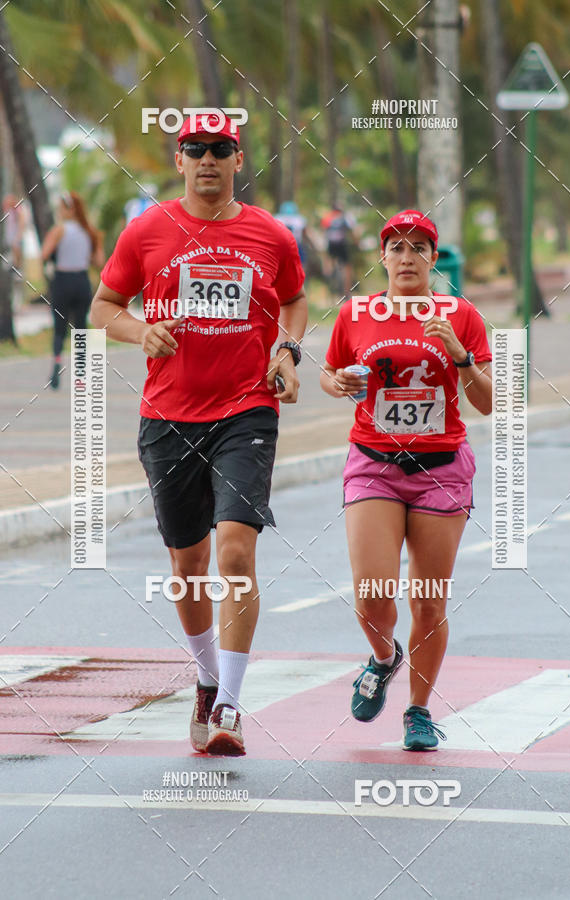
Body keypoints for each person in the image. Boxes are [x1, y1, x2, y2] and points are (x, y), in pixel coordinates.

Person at [90, 112, 307, 756]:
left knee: (237, 551)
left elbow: (294, 298)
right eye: (195, 149)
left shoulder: (269, 234)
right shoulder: (147, 231)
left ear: (238, 160)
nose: (207, 159)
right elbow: (104, 307)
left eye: (220, 149)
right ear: (179, 159)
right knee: (189, 565)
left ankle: (233, 709)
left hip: (246, 410)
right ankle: (208, 680)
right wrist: (141, 331)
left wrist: (287, 350)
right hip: (168, 417)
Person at [320, 209, 492, 751]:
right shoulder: (357, 313)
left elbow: (488, 403)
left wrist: (460, 356)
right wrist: (340, 381)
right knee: (372, 595)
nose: (407, 257)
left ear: (434, 259)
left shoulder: (461, 314)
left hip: (440, 469)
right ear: (383, 257)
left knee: (429, 601)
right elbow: (330, 375)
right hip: (374, 462)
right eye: (396, 247)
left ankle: (418, 711)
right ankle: (383, 657)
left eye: (419, 247)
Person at [41, 191, 105, 389]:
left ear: (70, 209)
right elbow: (99, 261)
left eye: (62, 207)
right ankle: (80, 375)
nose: (60, 212)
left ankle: (56, 366)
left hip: (62, 280)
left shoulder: (59, 230)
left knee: (59, 328)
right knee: (80, 328)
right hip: (82, 281)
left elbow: (44, 254)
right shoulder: (90, 231)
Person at [321, 204, 356, 297]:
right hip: (342, 245)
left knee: (329, 265)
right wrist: (357, 242)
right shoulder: (345, 217)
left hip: (331, 245)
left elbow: (324, 231)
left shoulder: (328, 218)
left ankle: (329, 282)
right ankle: (347, 293)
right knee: (347, 268)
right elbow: (352, 232)